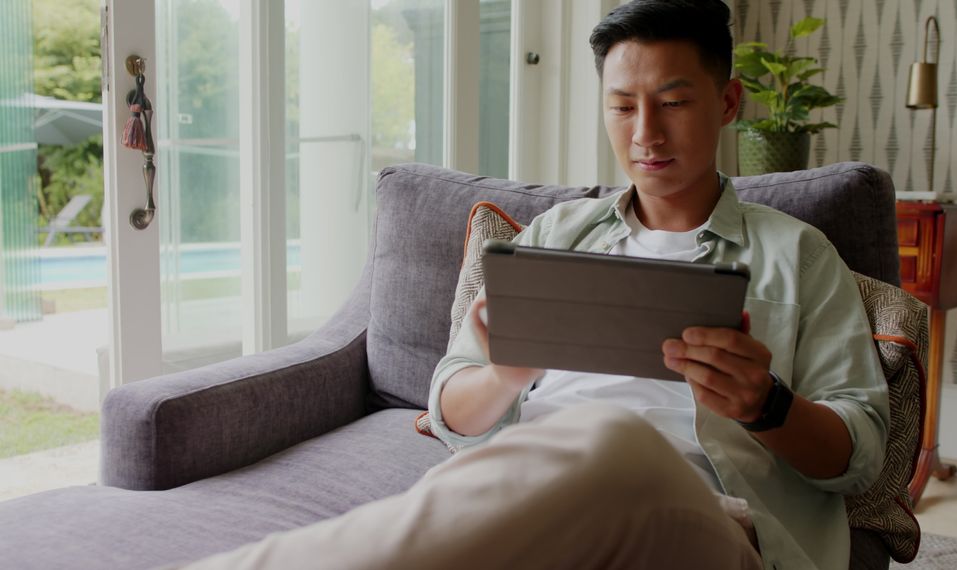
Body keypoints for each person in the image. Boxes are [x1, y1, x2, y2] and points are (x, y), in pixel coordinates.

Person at [181, 2, 888, 569]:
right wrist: (502, 374)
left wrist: (766, 406)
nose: (645, 132)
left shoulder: (797, 254)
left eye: (673, 102)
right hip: (523, 496)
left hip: (703, 515)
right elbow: (452, 409)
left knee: (613, 441)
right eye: (622, 106)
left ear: (728, 101)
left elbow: (859, 457)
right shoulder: (556, 235)